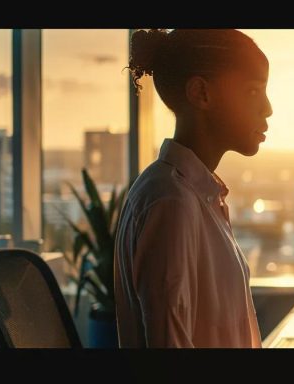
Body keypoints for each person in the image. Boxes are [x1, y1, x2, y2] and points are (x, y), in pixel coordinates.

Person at [114, 29, 272, 348]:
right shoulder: (171, 202)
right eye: (254, 91)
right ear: (201, 93)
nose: (267, 108)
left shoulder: (197, 194)